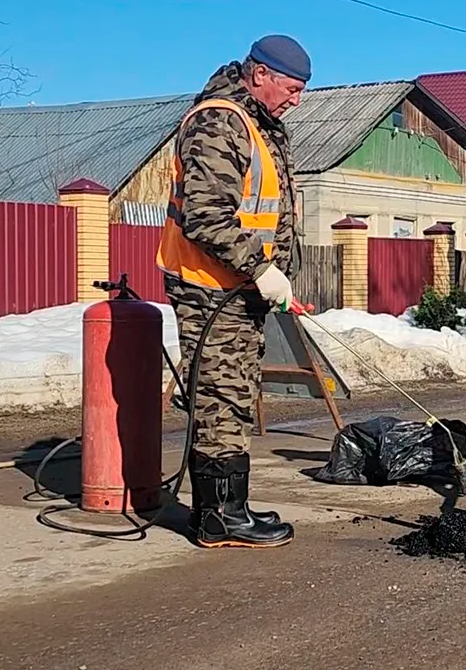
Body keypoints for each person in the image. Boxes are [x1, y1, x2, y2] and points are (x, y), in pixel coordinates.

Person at [156, 35, 309, 549]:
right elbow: (205, 216)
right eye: (290, 87)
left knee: (235, 394)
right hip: (209, 287)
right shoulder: (220, 122)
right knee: (220, 396)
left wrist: (266, 277)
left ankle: (229, 507)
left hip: (237, 287)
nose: (296, 99)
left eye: (301, 90)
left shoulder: (259, 127)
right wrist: (261, 268)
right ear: (259, 74)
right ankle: (218, 518)